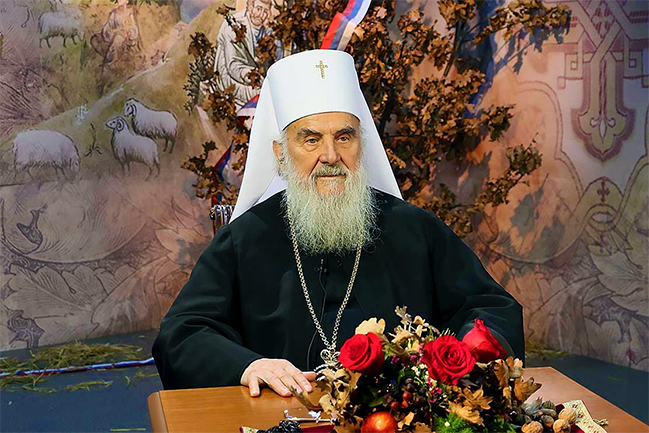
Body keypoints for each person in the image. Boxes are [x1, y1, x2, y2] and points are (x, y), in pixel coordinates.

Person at [152, 49, 524, 397]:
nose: (331, 156)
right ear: (281, 154)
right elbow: (182, 334)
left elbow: (490, 307)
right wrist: (248, 365)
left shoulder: (412, 228)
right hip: (283, 415)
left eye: (344, 137)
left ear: (361, 144)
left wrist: (462, 355)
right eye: (311, 140)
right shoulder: (245, 239)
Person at [214, 0, 276, 109]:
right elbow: (233, 66)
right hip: (231, 77)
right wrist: (253, 77)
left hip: (253, 78)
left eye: (266, 11)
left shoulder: (266, 31)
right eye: (258, 9)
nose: (261, 15)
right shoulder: (234, 28)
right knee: (263, 95)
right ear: (250, 7)